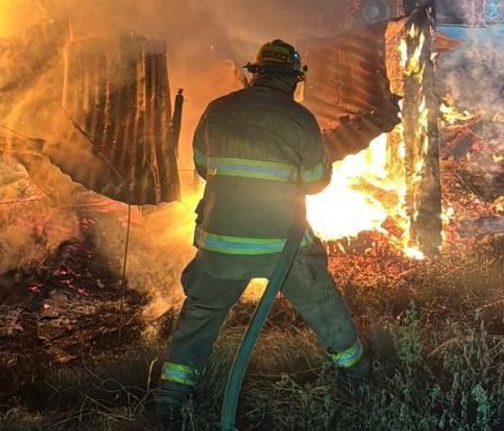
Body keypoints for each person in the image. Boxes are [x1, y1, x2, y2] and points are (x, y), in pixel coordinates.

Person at [154, 40, 368, 424]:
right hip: (282, 246)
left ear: (256, 74)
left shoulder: (217, 111)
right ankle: (359, 377)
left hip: (220, 243)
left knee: (200, 313)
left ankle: (171, 396)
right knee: (321, 303)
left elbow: (204, 166)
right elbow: (316, 182)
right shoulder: (299, 119)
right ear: (293, 80)